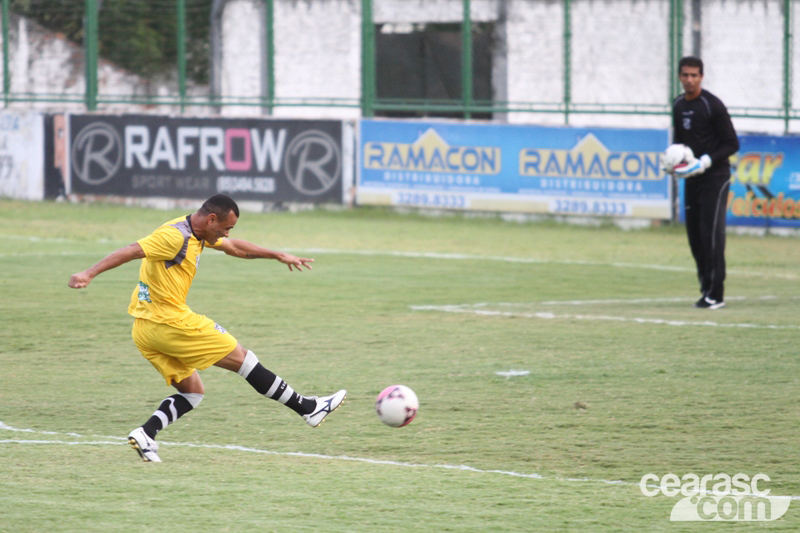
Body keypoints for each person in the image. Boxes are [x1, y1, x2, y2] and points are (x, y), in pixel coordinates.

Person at [68, 194, 346, 462]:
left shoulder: (198, 232)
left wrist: (277, 254)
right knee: (244, 360)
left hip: (145, 330)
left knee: (192, 392)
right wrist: (89, 273)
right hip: (171, 323)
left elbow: (234, 247)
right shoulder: (175, 236)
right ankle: (308, 408)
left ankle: (146, 433)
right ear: (211, 219)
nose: (226, 234)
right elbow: (132, 250)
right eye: (226, 228)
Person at [671, 56, 739, 309]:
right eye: (685, 75)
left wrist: (706, 161)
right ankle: (705, 289)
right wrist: (674, 162)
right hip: (693, 178)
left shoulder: (712, 105)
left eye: (694, 75)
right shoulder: (678, 105)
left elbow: (732, 143)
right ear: (679, 76)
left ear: (701, 76)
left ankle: (716, 294)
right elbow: (680, 142)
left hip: (715, 176)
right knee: (695, 236)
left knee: (711, 234)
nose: (689, 80)